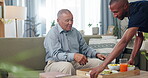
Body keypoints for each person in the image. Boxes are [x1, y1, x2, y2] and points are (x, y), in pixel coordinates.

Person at [90, 0, 148, 78]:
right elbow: (139, 36)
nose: (114, 15)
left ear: (125, 6)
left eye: (116, 12)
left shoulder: (139, 10)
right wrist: (132, 58)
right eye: (113, 12)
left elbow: (124, 42)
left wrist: (102, 66)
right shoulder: (134, 12)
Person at [44, 9, 106, 75]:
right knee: (67, 67)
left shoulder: (75, 32)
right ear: (58, 21)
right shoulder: (52, 33)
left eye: (71, 20)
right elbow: (55, 55)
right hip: (55, 63)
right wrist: (74, 56)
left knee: (99, 63)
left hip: (74, 62)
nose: (70, 23)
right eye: (67, 20)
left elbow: (84, 48)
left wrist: (96, 54)